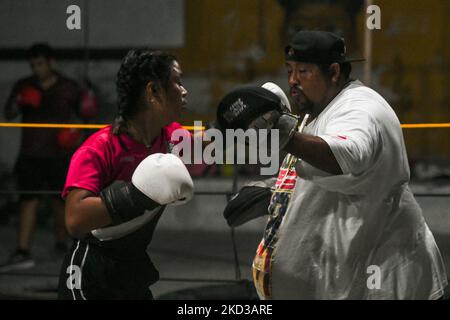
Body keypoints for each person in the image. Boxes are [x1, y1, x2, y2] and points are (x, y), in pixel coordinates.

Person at [218, 30, 448, 299]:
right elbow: (337, 176)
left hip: (383, 286)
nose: (292, 80)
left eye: (303, 71)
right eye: (289, 70)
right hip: (345, 283)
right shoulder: (320, 108)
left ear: (334, 72)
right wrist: (278, 192)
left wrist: (282, 136)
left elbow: (348, 155)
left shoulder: (360, 109)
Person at [57, 49, 194, 300]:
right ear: (154, 92)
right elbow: (74, 220)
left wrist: (247, 122)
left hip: (132, 273)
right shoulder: (99, 149)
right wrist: (137, 195)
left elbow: (209, 143)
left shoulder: (169, 136)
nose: (184, 91)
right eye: (178, 82)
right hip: (89, 276)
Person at [1, 43, 81, 272]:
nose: (36, 69)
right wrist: (18, 102)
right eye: (33, 65)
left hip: (58, 154)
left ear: (51, 62)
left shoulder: (68, 87)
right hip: (30, 154)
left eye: (40, 64)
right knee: (28, 202)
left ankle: (60, 244)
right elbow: (8, 113)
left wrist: (75, 133)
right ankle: (23, 249)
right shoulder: (24, 85)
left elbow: (83, 116)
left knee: (60, 203)